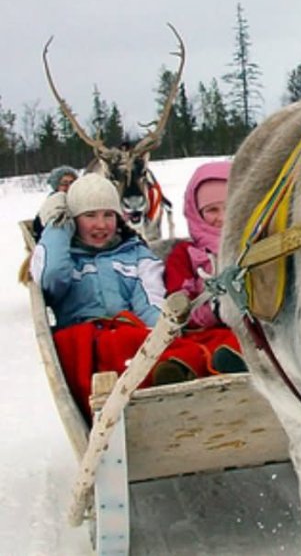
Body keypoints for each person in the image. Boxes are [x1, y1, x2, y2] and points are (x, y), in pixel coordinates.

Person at [29, 174, 241, 419]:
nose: (101, 224)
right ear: (73, 221)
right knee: (114, 343)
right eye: (90, 216)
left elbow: (150, 299)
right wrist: (57, 226)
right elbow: (51, 273)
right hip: (86, 334)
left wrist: (160, 338)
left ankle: (182, 366)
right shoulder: (67, 259)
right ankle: (172, 371)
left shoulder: (135, 254)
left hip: (133, 329)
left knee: (199, 339)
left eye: (108, 215)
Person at [164, 161, 246, 372]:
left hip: (249, 328)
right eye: (211, 210)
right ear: (196, 212)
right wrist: (212, 311)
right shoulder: (185, 254)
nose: (222, 218)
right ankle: (180, 372)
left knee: (244, 343)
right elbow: (179, 302)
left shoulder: (252, 246)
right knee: (193, 351)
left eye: (229, 207)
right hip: (204, 330)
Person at [32, 165, 81, 238]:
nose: (69, 187)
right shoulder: (54, 202)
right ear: (57, 186)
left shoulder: (78, 200)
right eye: (64, 184)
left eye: (72, 183)